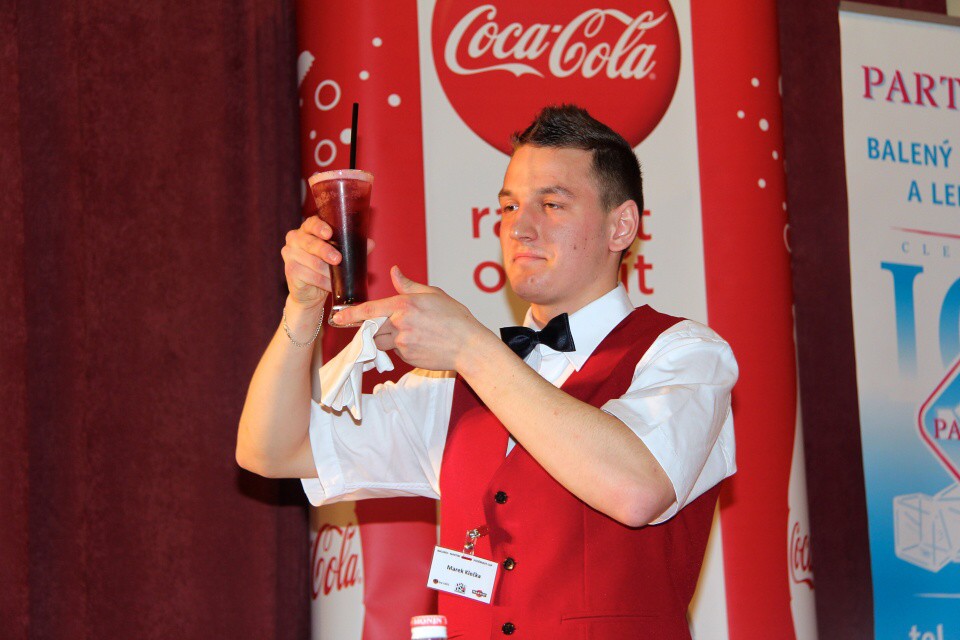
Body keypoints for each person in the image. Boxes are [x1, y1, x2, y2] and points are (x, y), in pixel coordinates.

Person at [237, 105, 737, 638]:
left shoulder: (686, 353)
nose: (520, 227)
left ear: (622, 226)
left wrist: (471, 348)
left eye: (552, 204)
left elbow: (636, 489)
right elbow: (271, 450)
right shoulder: (457, 382)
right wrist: (302, 309)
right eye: (509, 206)